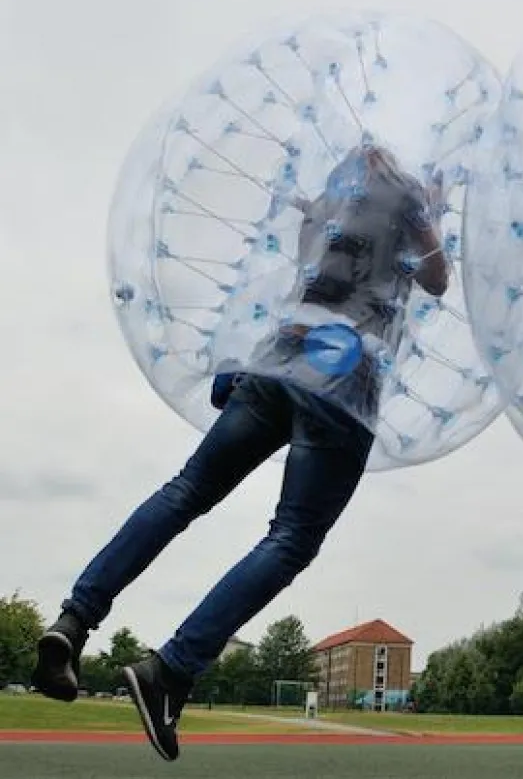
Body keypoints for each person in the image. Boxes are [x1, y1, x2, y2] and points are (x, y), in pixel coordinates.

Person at [30, 143, 449, 762]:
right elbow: (437, 279)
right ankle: (169, 671)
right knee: (291, 539)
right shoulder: (409, 208)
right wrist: (427, 211)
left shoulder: (326, 211)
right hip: (343, 379)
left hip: (276, 359)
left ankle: (74, 619)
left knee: (184, 492)